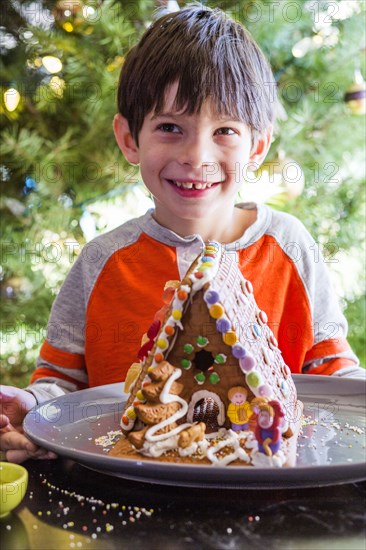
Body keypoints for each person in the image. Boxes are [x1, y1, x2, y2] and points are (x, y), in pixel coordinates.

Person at [1, 5, 364, 463]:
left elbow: (334, 375)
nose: (196, 155)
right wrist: (31, 406)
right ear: (130, 138)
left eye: (225, 130)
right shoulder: (102, 263)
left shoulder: (289, 247)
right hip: (130, 491)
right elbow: (60, 383)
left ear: (257, 145)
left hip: (268, 496)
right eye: (170, 127)